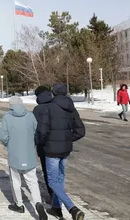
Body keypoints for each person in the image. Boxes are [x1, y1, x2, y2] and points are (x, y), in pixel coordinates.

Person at [36, 83, 86, 220]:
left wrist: (42, 143)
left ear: (53, 93)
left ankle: (72, 208)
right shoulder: (71, 108)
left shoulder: (49, 108)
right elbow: (81, 131)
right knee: (59, 180)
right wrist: (67, 139)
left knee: (52, 182)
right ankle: (56, 208)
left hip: (51, 151)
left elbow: (42, 131)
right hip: (65, 150)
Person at [0, 96, 48, 220]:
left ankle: (19, 205)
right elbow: (37, 132)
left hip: (15, 154)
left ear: (10, 105)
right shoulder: (30, 116)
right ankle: (38, 204)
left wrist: (9, 144)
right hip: (29, 153)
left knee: (16, 181)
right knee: (32, 181)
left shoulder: (7, 117)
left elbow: (3, 137)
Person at [33, 85, 54, 203]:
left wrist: (35, 143)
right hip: (60, 146)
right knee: (57, 172)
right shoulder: (56, 106)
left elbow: (35, 129)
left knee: (47, 171)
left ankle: (52, 195)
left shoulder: (38, 109)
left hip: (44, 146)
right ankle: (59, 193)